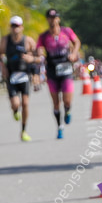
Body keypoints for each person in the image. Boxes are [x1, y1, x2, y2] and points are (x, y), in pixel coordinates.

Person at [35, 8, 81, 139]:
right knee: (55, 103)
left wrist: (74, 53)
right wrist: (39, 52)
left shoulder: (66, 31)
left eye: (55, 18)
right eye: (50, 18)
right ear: (47, 19)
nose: (52, 20)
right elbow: (39, 48)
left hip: (66, 69)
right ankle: (59, 127)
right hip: (52, 70)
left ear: (58, 19)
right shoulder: (43, 36)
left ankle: (68, 110)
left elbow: (76, 41)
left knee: (66, 101)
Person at [0, 15, 38, 141]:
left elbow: (39, 57)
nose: (15, 28)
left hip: (24, 75)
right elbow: (0, 54)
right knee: (16, 104)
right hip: (12, 76)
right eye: (13, 26)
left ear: (22, 27)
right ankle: (15, 111)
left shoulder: (28, 41)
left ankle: (24, 130)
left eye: (17, 26)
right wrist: (3, 66)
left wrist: (32, 60)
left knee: (25, 103)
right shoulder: (6, 40)